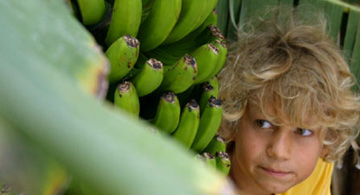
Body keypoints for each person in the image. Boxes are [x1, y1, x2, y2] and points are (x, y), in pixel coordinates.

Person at [217, 6, 360, 195]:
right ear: (232, 123)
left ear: (326, 143)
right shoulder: (188, 175)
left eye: (303, 131)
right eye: (263, 123)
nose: (279, 151)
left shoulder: (316, 173)